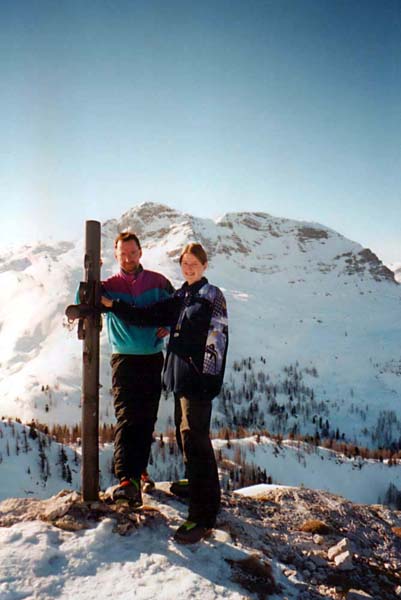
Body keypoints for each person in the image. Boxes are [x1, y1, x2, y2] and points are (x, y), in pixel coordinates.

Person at [102, 242, 229, 543]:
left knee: (196, 441)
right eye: (184, 263)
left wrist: (209, 380)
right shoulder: (182, 295)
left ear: (204, 265)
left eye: (194, 263)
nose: (188, 267)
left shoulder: (212, 296)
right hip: (180, 379)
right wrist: (114, 306)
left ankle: (202, 516)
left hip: (197, 381)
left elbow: (217, 340)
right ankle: (194, 485)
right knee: (187, 437)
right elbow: (147, 315)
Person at [102, 231, 174, 507]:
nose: (128, 258)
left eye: (132, 253)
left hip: (152, 357)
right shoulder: (108, 285)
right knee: (127, 416)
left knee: (146, 418)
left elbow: (178, 307)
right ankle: (126, 479)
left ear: (140, 252)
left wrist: (167, 327)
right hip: (123, 359)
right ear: (116, 255)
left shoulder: (158, 282)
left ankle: (139, 470)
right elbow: (83, 298)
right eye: (123, 254)